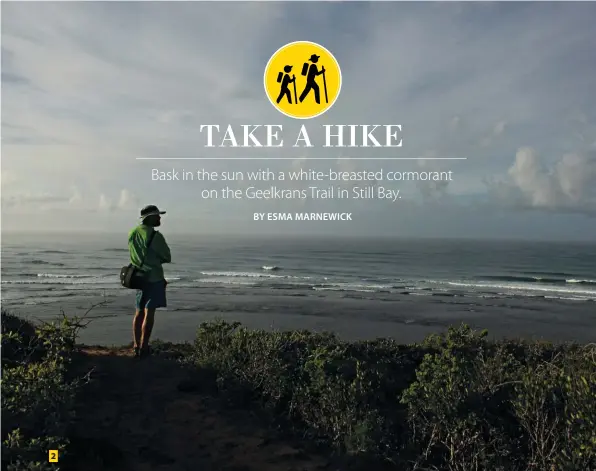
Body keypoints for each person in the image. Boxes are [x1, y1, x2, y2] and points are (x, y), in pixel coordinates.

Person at [128, 205, 171, 358]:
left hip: (139, 277)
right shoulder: (155, 236)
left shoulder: (132, 233)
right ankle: (144, 347)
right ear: (150, 217)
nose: (160, 218)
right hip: (154, 277)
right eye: (157, 216)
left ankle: (135, 345)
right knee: (149, 312)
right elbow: (167, 256)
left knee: (139, 312)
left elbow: (134, 255)